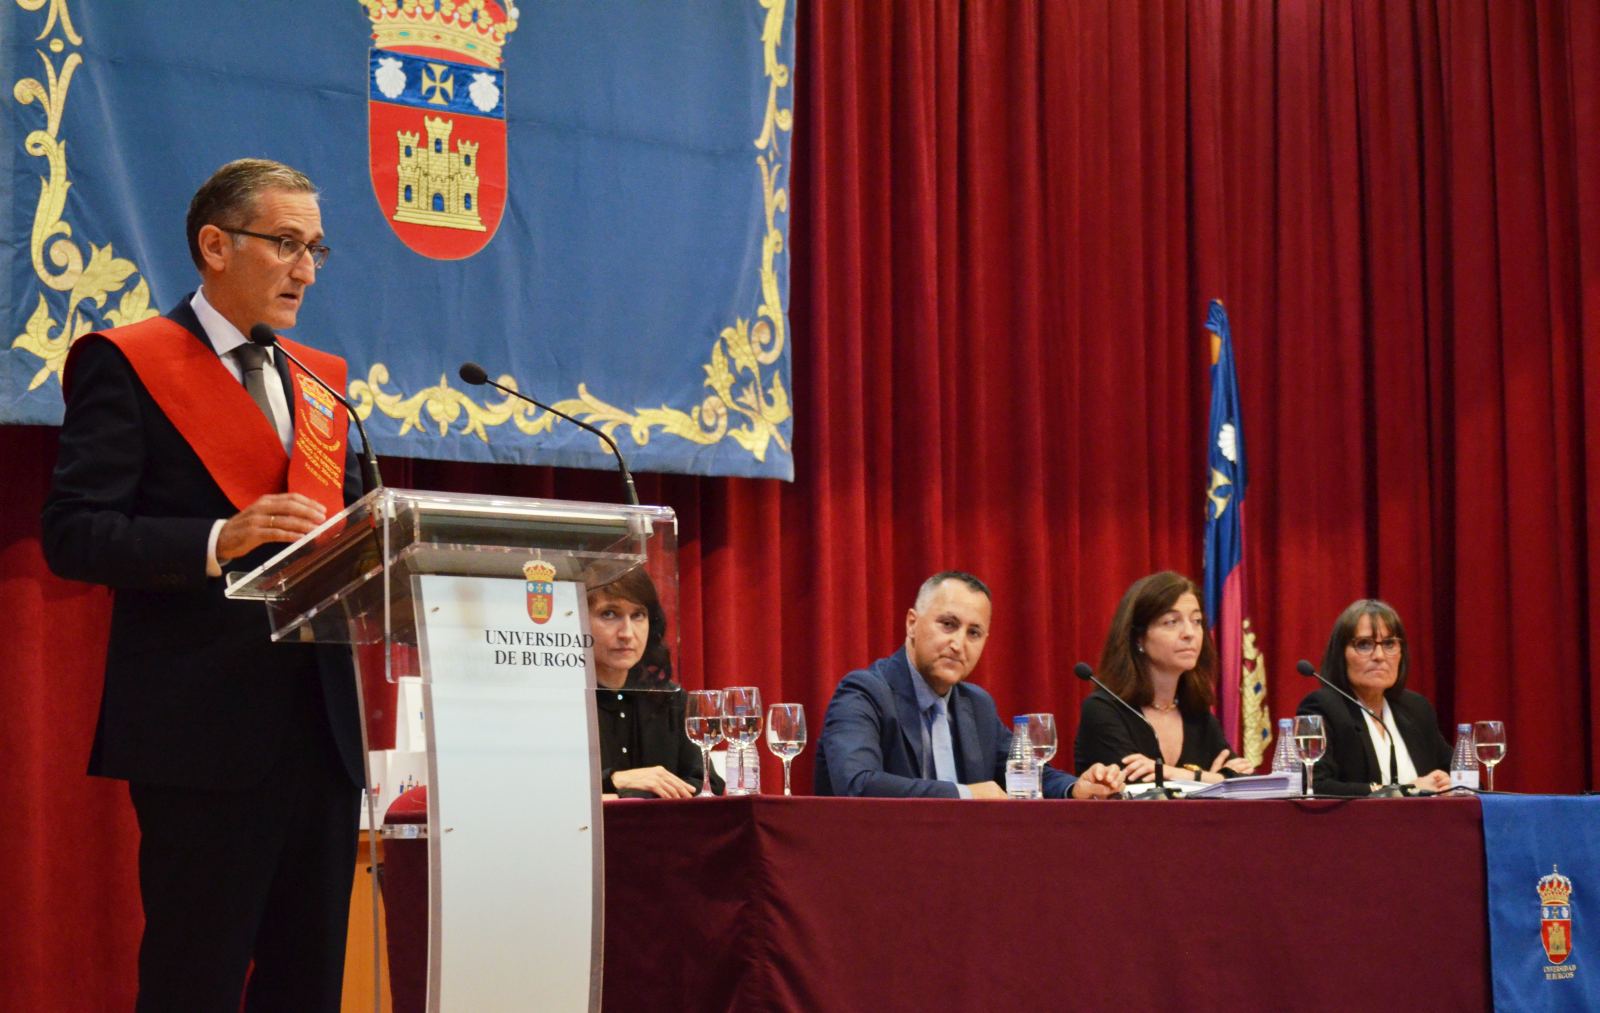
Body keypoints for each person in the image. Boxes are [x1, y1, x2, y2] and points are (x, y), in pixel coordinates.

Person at [41, 159, 364, 1011]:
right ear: (214, 245)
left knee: (309, 983)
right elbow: (77, 535)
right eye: (286, 243)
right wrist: (222, 538)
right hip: (203, 732)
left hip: (324, 730)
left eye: (316, 248)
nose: (306, 269)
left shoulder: (323, 381)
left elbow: (358, 531)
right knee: (198, 979)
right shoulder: (129, 362)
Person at [815, 571, 1124, 799]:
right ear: (912, 624)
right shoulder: (864, 692)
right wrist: (966, 794)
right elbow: (858, 783)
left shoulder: (976, 704)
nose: (958, 643)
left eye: (973, 633)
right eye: (948, 624)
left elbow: (1021, 773)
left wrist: (1075, 788)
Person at [1073, 571, 1255, 785]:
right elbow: (1137, 788)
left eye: (1196, 621)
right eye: (1171, 622)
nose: (1190, 633)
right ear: (1138, 638)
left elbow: (1243, 783)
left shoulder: (1197, 716)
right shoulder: (1104, 711)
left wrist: (1176, 774)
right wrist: (1214, 778)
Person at [587, 568, 722, 798]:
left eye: (638, 615)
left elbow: (707, 784)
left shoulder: (669, 698)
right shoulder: (563, 700)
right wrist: (615, 780)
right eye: (609, 614)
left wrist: (622, 794)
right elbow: (550, 788)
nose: (627, 633)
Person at [1296, 599, 1452, 796]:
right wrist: (1405, 791)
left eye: (1389, 644)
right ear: (1341, 655)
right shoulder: (1323, 708)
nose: (1379, 655)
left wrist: (1449, 783)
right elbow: (1314, 786)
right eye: (1364, 644)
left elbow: (1465, 776)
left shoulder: (1416, 709)